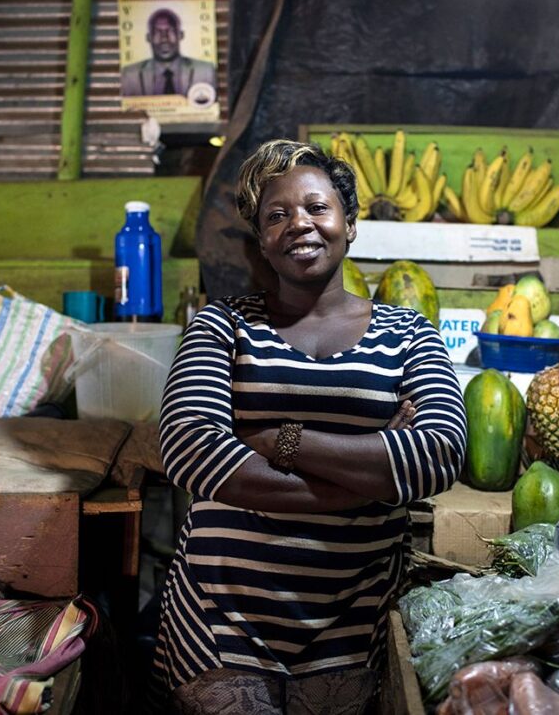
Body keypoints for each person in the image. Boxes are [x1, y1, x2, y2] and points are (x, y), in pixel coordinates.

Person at [149, 139, 467, 714]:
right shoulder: (222, 325)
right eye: (277, 215)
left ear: (349, 223)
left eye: (317, 207)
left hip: (354, 613)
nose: (300, 223)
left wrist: (279, 440)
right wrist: (371, 470)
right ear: (261, 241)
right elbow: (191, 448)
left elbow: (439, 454)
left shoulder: (409, 334)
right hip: (221, 614)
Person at [121, 8, 217, 98]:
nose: (164, 38)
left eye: (170, 31)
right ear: (148, 37)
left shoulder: (205, 72)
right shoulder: (130, 75)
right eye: (157, 32)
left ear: (181, 35)